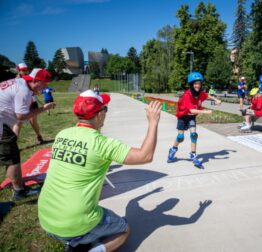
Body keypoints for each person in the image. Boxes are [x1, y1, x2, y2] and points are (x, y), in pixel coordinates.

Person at [38, 90, 162, 252]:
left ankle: (77, 240)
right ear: (99, 115)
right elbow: (145, 156)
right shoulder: (103, 144)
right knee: (124, 229)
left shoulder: (62, 134)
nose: (105, 113)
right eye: (105, 109)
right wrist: (153, 122)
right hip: (73, 223)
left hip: (46, 220)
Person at [0, 69, 55, 200]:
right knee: (12, 156)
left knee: (6, 153)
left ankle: (15, 182)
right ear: (35, 81)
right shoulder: (24, 91)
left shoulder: (20, 82)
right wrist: (43, 108)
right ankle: (19, 191)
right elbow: (21, 116)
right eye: (44, 84)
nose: (45, 87)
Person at [167, 72, 221, 168]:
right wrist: (205, 112)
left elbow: (207, 95)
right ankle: (173, 149)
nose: (197, 86)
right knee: (180, 137)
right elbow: (191, 110)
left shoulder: (200, 93)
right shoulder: (186, 95)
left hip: (191, 117)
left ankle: (193, 155)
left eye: (199, 84)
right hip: (183, 117)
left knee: (194, 135)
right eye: (195, 84)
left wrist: (215, 99)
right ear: (191, 84)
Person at [13, 63, 45, 144]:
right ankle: (12, 145)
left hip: (32, 102)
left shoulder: (30, 78)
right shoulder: (15, 80)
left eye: (26, 69)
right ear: (18, 70)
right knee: (18, 123)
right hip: (21, 103)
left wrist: (35, 92)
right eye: (23, 70)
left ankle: (39, 136)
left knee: (33, 122)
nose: (26, 71)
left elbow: (37, 91)